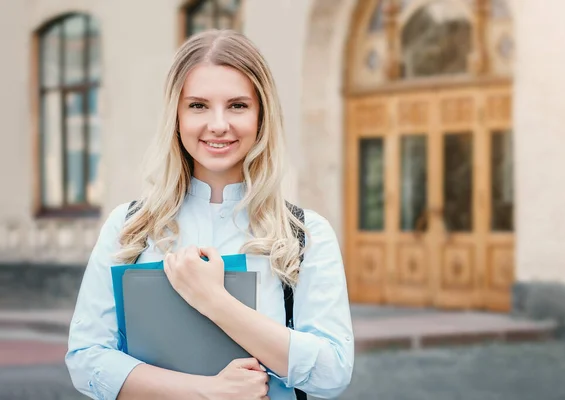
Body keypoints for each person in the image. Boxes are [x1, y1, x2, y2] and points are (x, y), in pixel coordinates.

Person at [65, 29, 354, 400]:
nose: (218, 124)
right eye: (198, 105)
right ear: (176, 115)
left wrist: (214, 300)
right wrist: (208, 392)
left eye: (237, 105)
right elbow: (86, 360)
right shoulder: (129, 226)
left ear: (261, 115)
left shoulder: (304, 234)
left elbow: (333, 373)